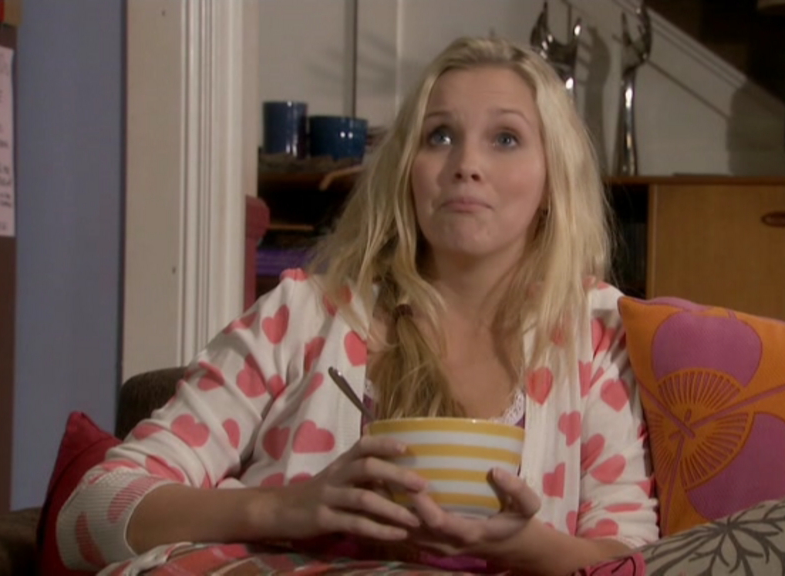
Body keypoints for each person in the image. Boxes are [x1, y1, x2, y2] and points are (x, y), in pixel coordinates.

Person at [57, 36, 659, 575]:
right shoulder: (303, 316)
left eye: (506, 138)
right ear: (406, 171)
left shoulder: (595, 333)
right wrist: (284, 509)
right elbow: (89, 514)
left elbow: (636, 561)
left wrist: (526, 546)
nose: (466, 166)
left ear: (554, 177)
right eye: (439, 136)